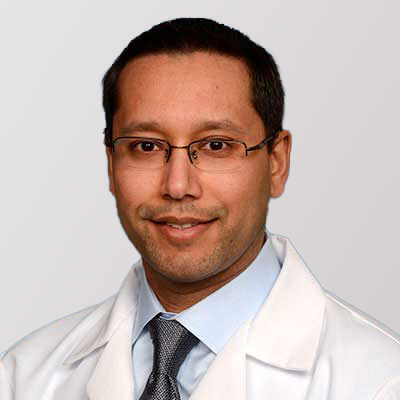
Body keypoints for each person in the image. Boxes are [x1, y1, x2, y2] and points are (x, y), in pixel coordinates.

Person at [1, 17, 400, 400]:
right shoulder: (25, 377)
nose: (178, 186)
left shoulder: (380, 383)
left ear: (277, 163)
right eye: (146, 146)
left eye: (216, 145)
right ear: (111, 164)